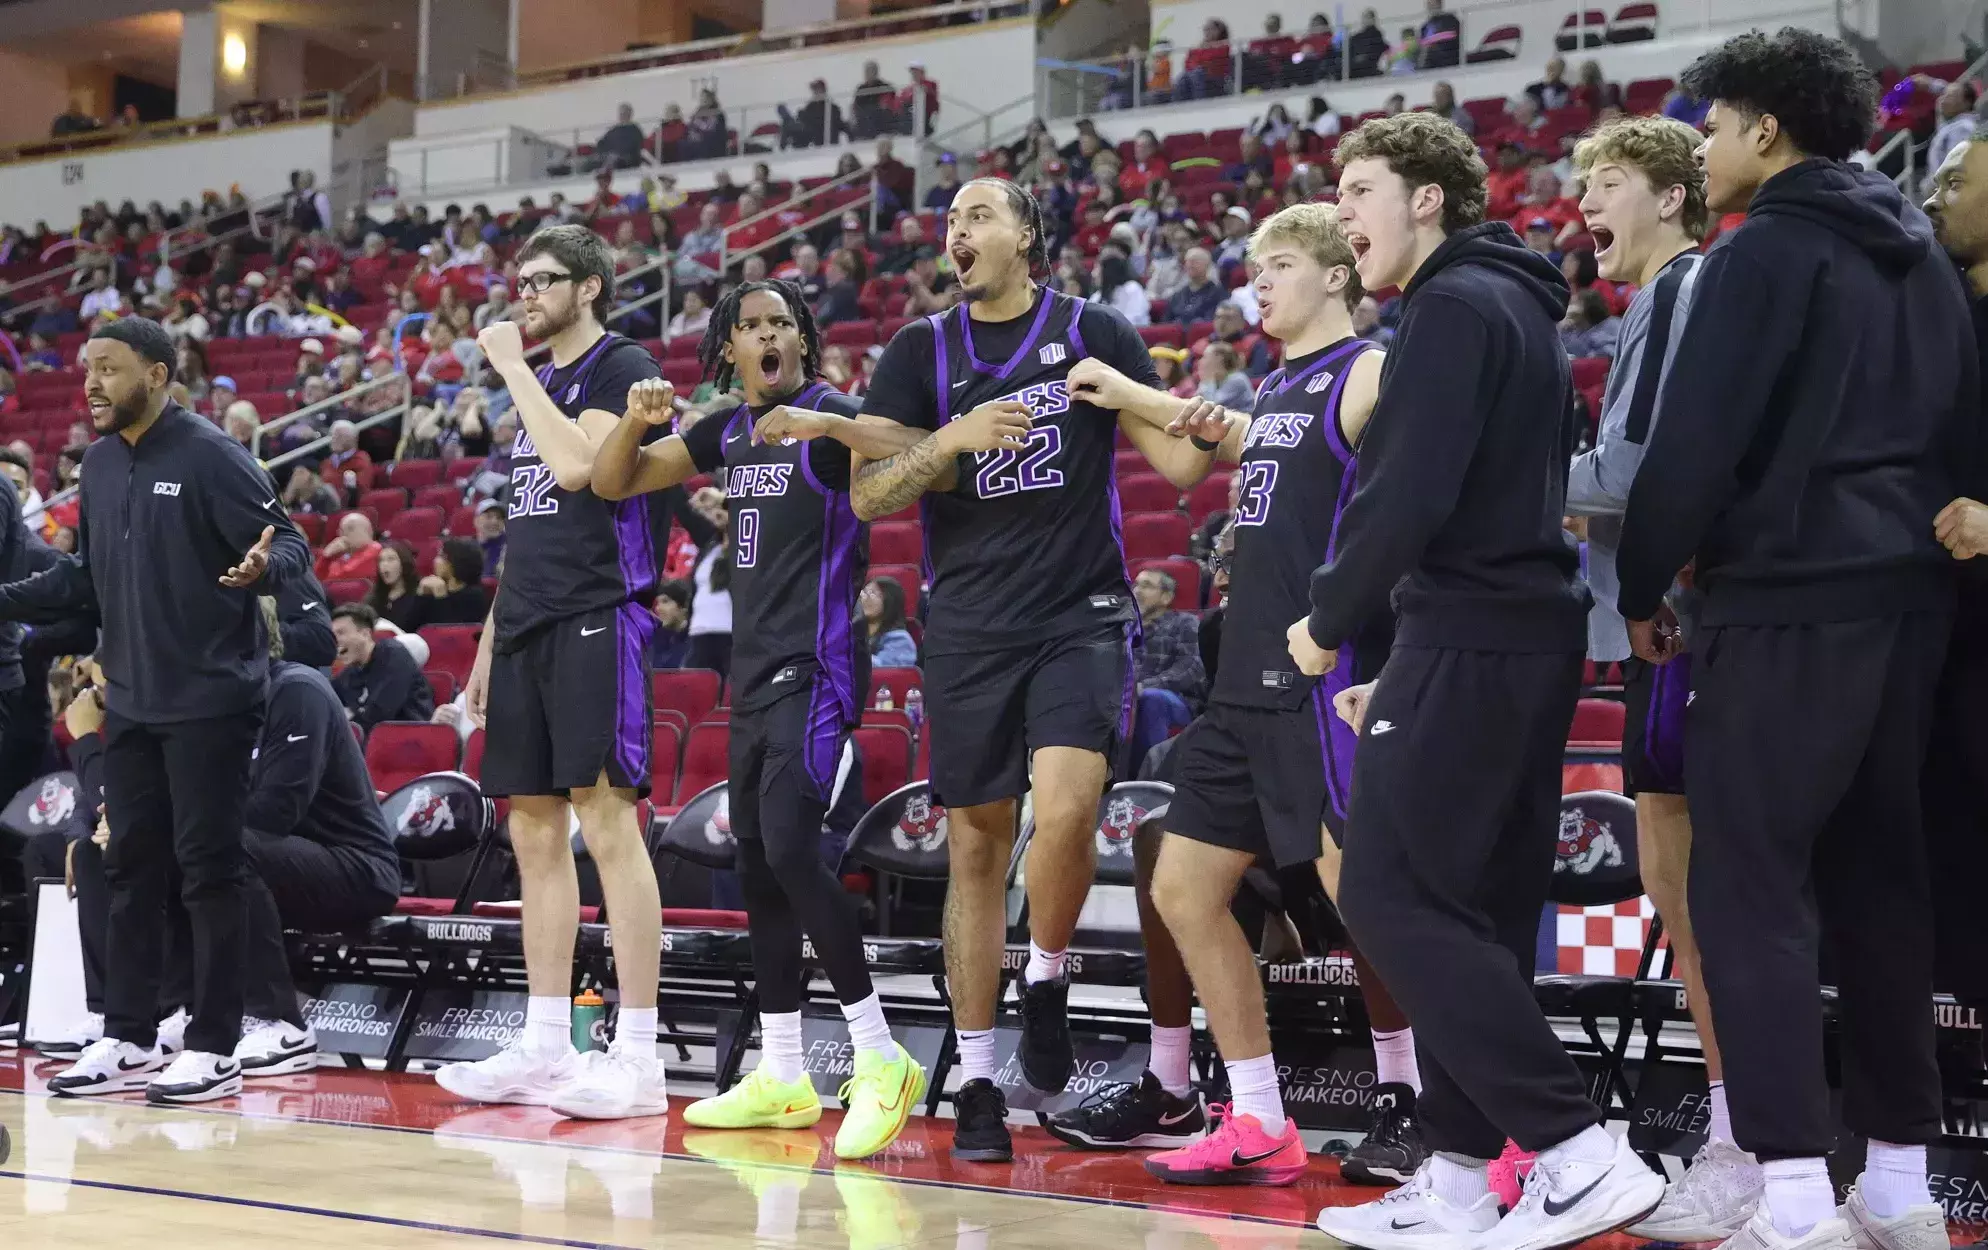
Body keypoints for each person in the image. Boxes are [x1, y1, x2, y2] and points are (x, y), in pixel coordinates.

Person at [1618, 31, 1977, 1250]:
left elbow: (1690, 445)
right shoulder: (1923, 254)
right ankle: (1895, 1184)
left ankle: (1786, 1195)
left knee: (1748, 888)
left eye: (1713, 124)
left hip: (1784, 599)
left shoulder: (1757, 252)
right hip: (1912, 601)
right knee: (1884, 886)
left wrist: (1635, 577)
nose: (1705, 143)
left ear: (1762, 129)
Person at [1306, 112, 1664, 1247]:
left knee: (1386, 893)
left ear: (1426, 199)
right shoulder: (1508, 303)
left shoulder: (1451, 308)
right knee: (1477, 911)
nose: (1343, 210)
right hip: (1520, 632)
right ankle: (1463, 1178)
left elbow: (1404, 490)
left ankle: (1571, 1147)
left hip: (1468, 627)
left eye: (1359, 188)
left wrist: (1329, 619)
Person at [848, 177, 1198, 1163]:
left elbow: (1175, 469)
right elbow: (869, 494)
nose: (954, 231)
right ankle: (971, 1074)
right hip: (965, 623)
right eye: (948, 217)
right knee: (973, 843)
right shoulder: (918, 351)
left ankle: (1044, 971)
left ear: (1026, 235)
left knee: (1072, 803)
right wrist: (950, 440)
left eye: (976, 217)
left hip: (1077, 607)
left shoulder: (1091, 332)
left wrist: (1193, 417)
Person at [591, 280, 930, 1161]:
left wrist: (832, 429)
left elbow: (913, 441)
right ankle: (783, 1073)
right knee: (756, 865)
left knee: (788, 848)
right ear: (729, 349)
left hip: (817, 670)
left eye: (783, 323)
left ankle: (881, 1055)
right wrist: (635, 417)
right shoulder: (725, 431)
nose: (769, 335)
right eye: (752, 327)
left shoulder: (826, 410)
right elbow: (614, 478)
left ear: (803, 341)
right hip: (750, 677)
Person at [6, 317, 311, 1104]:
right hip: (133, 702)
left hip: (212, 700)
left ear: (159, 374)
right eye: (86, 371)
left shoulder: (211, 454)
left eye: (109, 369)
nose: (91, 385)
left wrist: (261, 563)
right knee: (130, 867)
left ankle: (214, 1044)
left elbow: (290, 546)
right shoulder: (101, 467)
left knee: (209, 872)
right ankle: (128, 1034)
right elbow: (83, 579)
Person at [1556, 114, 1754, 1241]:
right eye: (1582, 180)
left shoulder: (1681, 290)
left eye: (1611, 179)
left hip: (1684, 622)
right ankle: (1743, 1132)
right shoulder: (1652, 300)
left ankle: (1744, 1141)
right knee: (1678, 891)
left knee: (1696, 895)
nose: (1587, 201)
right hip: (1661, 619)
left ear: (1675, 195)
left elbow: (1633, 469)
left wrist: (1508, 478)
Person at [434, 224, 670, 1120]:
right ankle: (543, 1041)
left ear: (592, 287)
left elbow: (580, 471)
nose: (525, 294)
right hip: (529, 620)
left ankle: (639, 1056)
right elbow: (530, 526)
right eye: (520, 281)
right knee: (533, 834)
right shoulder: (540, 385)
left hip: (599, 614)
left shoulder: (622, 365)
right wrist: (491, 639)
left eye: (543, 281)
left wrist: (512, 370)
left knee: (608, 825)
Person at [1125, 566, 1203, 766]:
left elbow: (1191, 667)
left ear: (1166, 597)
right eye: (1136, 584)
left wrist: (1142, 688)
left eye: (1147, 585)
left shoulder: (1185, 623)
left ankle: (1150, 781)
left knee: (1150, 699)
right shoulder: (1125, 628)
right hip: (1128, 697)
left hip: (1177, 700)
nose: (1137, 591)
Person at [330, 604, 435, 728]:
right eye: (333, 635)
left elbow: (380, 713)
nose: (335, 640)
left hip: (411, 736)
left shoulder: (393, 655)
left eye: (341, 633)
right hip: (374, 740)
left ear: (365, 634)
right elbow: (324, 697)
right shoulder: (349, 673)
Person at [406, 537, 489, 628]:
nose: (435, 561)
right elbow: (408, 628)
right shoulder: (430, 590)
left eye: (441, 556)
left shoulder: (475, 596)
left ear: (455, 562)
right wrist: (420, 594)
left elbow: (451, 633)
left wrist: (441, 597)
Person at [366, 538, 423, 629]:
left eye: (391, 559)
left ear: (404, 563)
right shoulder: (374, 597)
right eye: (381, 560)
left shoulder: (418, 595)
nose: (384, 564)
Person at [861, 575, 917, 666]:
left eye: (872, 593)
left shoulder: (900, 639)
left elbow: (886, 671)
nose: (865, 598)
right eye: (864, 592)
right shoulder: (854, 632)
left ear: (890, 600)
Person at [315, 511, 382, 582]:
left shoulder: (375, 549)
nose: (343, 534)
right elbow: (316, 579)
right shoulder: (343, 554)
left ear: (368, 531)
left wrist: (327, 557)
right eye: (341, 530)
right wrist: (325, 557)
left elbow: (344, 576)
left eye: (350, 528)